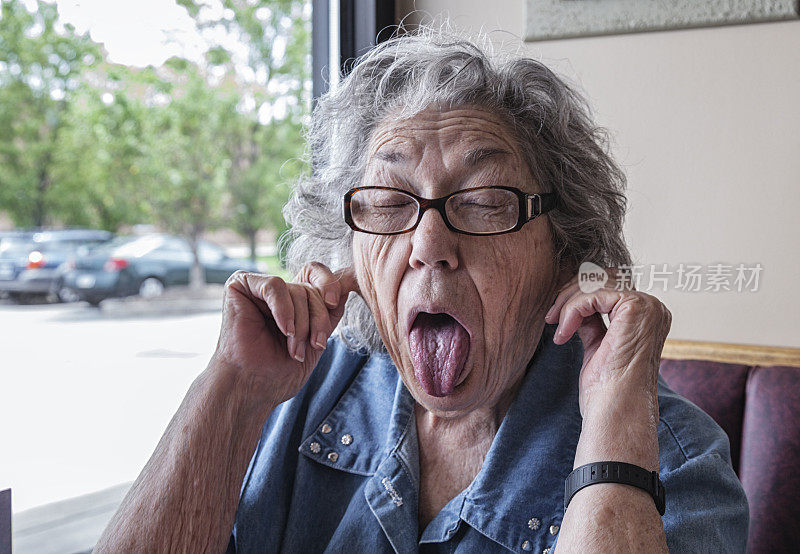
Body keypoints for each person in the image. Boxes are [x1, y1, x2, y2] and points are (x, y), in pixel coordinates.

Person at [96, 29, 748, 553]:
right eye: (386, 202)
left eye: (487, 202)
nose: (428, 244)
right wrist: (234, 388)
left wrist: (612, 436)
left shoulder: (671, 455)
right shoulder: (300, 394)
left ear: (566, 252)